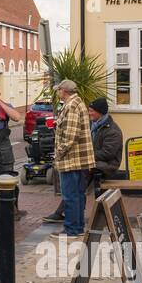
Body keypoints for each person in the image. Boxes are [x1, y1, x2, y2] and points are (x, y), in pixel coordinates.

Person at [52, 80, 95, 237]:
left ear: (64, 91)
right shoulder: (78, 103)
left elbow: (70, 137)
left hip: (71, 160)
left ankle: (71, 230)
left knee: (70, 196)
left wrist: (58, 154)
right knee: (77, 195)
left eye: (58, 90)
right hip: (79, 159)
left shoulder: (71, 106)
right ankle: (77, 228)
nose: (57, 93)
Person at [89, 97, 125, 179]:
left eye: (91, 111)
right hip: (95, 161)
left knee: (80, 169)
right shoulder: (92, 125)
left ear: (100, 112)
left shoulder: (113, 131)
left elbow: (107, 154)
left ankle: (80, 191)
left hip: (108, 166)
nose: (89, 113)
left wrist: (87, 157)